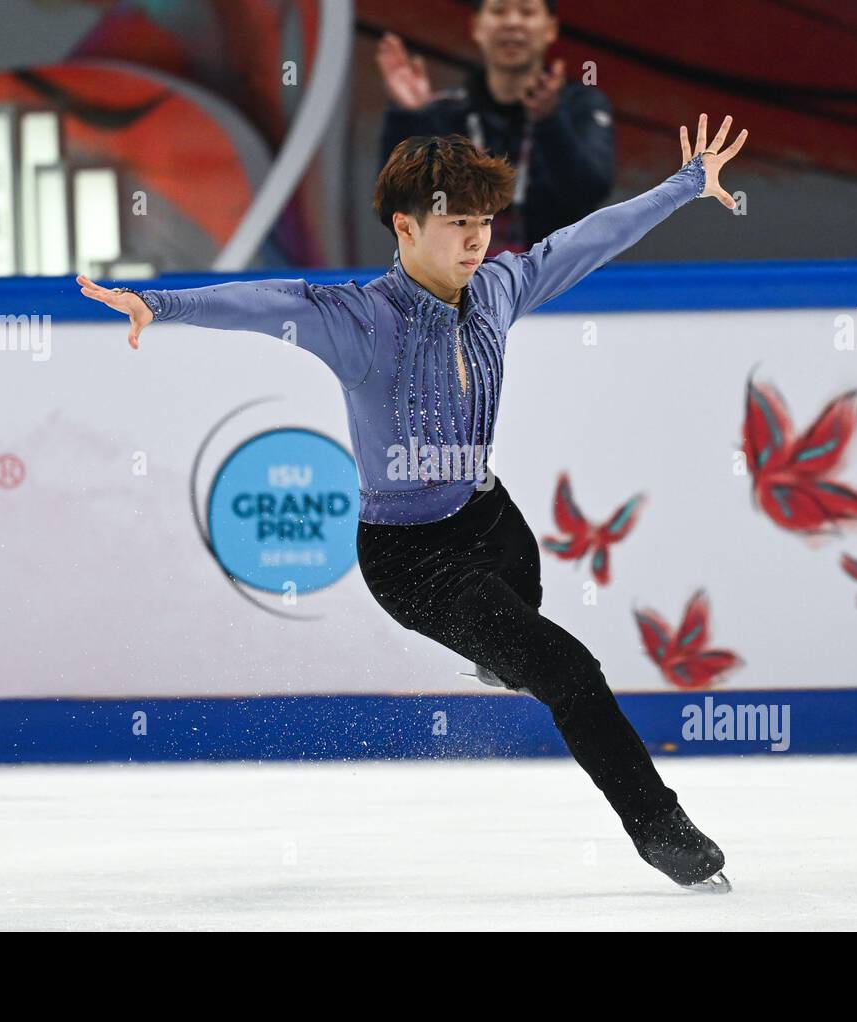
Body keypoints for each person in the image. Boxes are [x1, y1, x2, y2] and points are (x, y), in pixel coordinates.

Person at [76, 112, 748, 892]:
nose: (477, 240)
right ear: (405, 225)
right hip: (408, 556)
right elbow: (267, 303)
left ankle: (502, 656)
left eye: (486, 223)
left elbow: (585, 240)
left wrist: (686, 183)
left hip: (492, 521)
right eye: (457, 223)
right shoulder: (362, 323)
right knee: (568, 668)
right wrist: (163, 308)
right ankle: (666, 836)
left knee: (521, 617)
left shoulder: (498, 289)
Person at [376, 0, 613, 257]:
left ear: (550, 28)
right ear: (476, 26)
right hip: (461, 284)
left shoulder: (580, 105)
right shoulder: (444, 111)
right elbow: (397, 207)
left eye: (527, 12)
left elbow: (591, 190)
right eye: (499, 11)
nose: (512, 23)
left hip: (563, 282)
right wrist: (411, 118)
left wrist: (550, 122)